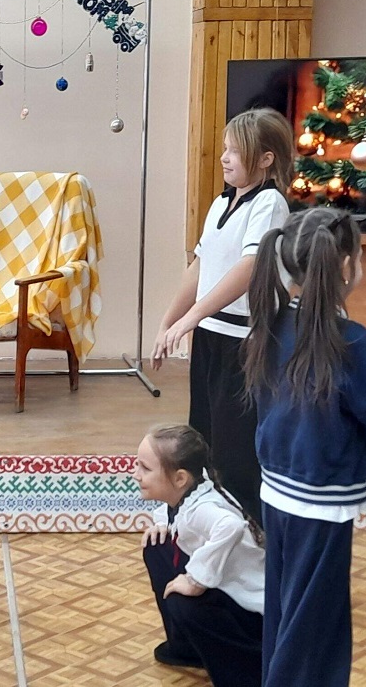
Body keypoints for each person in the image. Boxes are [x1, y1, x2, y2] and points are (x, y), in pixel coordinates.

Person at [243, 208, 366, 687]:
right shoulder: (353, 343)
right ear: (345, 265)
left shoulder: (271, 323)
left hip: (276, 490)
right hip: (323, 500)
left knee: (286, 615)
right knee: (314, 633)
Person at [151, 107, 293, 522]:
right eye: (225, 149)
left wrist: (191, 318)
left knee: (236, 451)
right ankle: (206, 523)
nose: (224, 158)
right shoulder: (221, 202)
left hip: (243, 343)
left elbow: (249, 269)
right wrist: (168, 322)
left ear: (265, 159)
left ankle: (250, 533)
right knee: (204, 437)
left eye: (234, 151)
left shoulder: (269, 204)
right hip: (211, 337)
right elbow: (200, 266)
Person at [136, 424, 264, 687]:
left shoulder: (202, 508)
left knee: (182, 603)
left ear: (180, 478)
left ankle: (247, 674)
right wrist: (162, 524)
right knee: (157, 547)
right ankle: (187, 648)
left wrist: (195, 580)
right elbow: (174, 511)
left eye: (145, 468)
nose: (135, 474)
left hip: (251, 612)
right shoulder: (193, 487)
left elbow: (230, 526)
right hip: (226, 588)